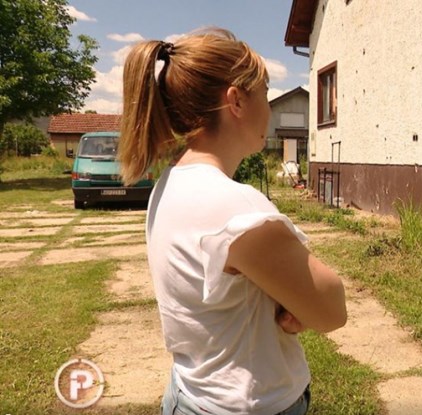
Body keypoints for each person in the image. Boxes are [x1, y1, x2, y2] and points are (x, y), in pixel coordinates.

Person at [118, 28, 347, 415]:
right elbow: (332, 309)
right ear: (237, 101)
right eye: (265, 94)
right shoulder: (236, 206)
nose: (269, 110)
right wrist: (298, 306)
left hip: (189, 394)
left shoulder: (168, 184)